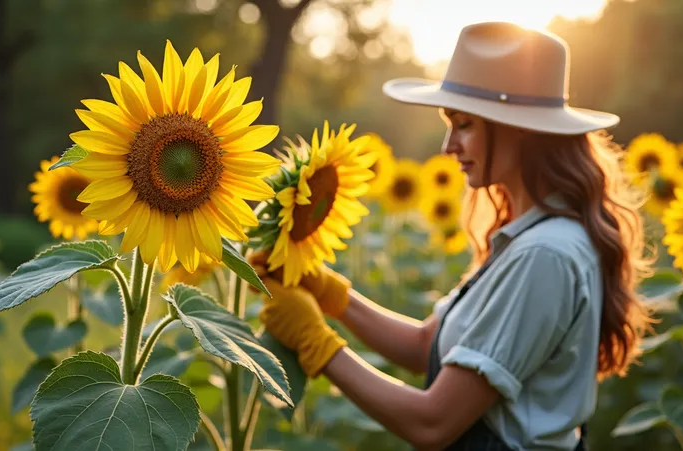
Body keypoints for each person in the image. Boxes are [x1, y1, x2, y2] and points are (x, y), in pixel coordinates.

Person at [252, 21, 652, 451]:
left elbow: (433, 422)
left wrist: (316, 343)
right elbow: (428, 343)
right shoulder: (531, 235)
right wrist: (330, 294)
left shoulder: (545, 254)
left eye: (464, 125)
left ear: (518, 128)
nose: (448, 147)